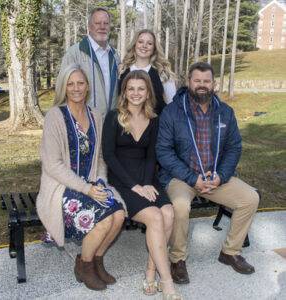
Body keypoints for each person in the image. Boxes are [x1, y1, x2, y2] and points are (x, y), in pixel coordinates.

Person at [156, 62, 260, 284]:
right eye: (197, 81)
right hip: (182, 177)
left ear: (213, 84)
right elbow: (163, 151)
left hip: (215, 177)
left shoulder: (225, 112)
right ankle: (177, 259)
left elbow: (234, 147)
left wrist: (221, 175)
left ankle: (230, 252)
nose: (201, 85)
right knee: (181, 207)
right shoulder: (173, 111)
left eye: (206, 81)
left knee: (250, 198)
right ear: (188, 82)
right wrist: (193, 178)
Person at [36, 64, 126, 291]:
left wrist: (102, 182)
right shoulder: (55, 116)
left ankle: (96, 260)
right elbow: (52, 164)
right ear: (64, 87)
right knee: (104, 218)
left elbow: (100, 159)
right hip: (63, 187)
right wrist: (86, 189)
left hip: (92, 184)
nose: (76, 88)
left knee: (118, 214)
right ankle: (84, 266)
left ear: (87, 87)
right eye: (71, 83)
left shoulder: (96, 115)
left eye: (80, 83)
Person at [102, 70, 182, 299]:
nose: (136, 93)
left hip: (146, 177)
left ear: (148, 92)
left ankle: (150, 272)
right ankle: (167, 284)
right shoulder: (113, 116)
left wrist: (146, 183)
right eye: (131, 89)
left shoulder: (153, 118)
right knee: (155, 217)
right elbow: (109, 156)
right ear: (124, 92)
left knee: (168, 212)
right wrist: (135, 186)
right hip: (121, 180)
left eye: (141, 88)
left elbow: (150, 156)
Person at [60, 8, 119, 116]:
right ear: (89, 27)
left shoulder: (115, 55)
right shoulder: (75, 53)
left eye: (106, 23)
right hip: (83, 120)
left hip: (110, 124)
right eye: (97, 23)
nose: (102, 27)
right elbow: (62, 89)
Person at [118, 29, 176, 115]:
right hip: (126, 124)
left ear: (154, 48)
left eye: (149, 43)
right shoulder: (122, 71)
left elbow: (172, 104)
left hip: (156, 125)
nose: (144, 46)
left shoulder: (163, 73)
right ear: (135, 45)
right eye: (140, 42)